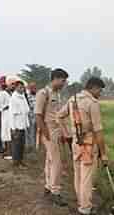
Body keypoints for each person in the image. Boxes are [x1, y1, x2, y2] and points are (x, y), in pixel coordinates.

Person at [62, 77, 108, 215]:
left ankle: (82, 203)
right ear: (93, 88)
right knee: (87, 179)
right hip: (88, 145)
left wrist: (67, 133)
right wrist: (104, 153)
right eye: (99, 90)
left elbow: (60, 116)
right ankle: (85, 211)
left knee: (78, 175)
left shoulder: (73, 99)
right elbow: (98, 131)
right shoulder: (92, 103)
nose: (100, 93)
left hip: (76, 143)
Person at [36, 68, 69, 206]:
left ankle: (48, 187)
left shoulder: (57, 94)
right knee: (57, 162)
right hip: (48, 130)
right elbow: (38, 116)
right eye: (63, 80)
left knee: (50, 161)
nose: (64, 83)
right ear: (55, 79)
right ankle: (55, 191)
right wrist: (46, 134)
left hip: (56, 130)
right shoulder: (43, 93)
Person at [9, 80, 30, 168]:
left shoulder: (23, 97)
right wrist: (13, 128)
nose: (22, 89)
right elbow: (11, 114)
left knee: (21, 145)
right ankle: (16, 162)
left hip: (23, 125)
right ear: (16, 87)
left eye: (23, 87)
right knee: (16, 145)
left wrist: (26, 124)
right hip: (16, 126)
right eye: (20, 87)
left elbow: (26, 111)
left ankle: (20, 161)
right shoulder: (13, 98)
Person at [0, 77, 16, 159]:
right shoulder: (2, 93)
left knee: (11, 133)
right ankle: (8, 152)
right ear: (8, 84)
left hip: (12, 116)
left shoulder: (12, 94)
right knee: (6, 133)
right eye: (12, 84)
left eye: (14, 84)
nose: (13, 86)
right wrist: (8, 106)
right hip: (6, 115)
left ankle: (11, 151)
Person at [25, 82, 37, 149]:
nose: (34, 89)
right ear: (30, 88)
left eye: (35, 88)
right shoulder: (27, 96)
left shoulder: (37, 95)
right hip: (30, 117)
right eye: (32, 88)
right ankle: (31, 147)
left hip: (37, 117)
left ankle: (35, 145)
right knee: (30, 132)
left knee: (35, 133)